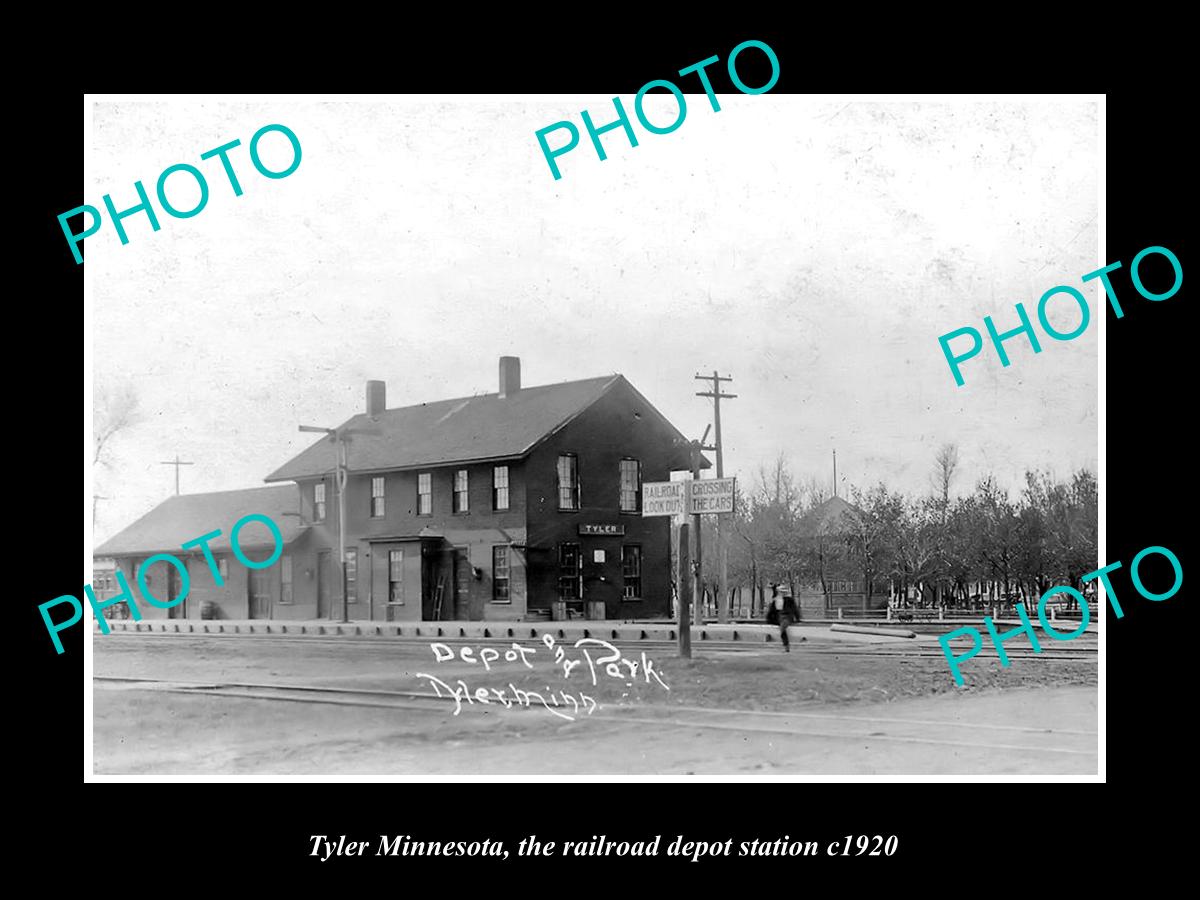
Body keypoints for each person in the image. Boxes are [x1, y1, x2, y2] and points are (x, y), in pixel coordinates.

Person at [766, 584, 800, 652]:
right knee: (782, 627)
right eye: (781, 592)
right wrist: (768, 619)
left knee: (783, 628)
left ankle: (786, 646)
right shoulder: (775, 600)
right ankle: (786, 646)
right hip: (778, 617)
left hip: (787, 617)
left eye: (783, 592)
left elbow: (795, 609)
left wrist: (797, 618)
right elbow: (771, 611)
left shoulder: (789, 600)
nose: (782, 593)